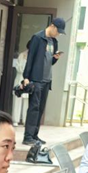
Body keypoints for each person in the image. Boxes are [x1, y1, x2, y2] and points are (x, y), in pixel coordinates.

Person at [21, 18, 65, 146]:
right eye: (58, 31)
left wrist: (55, 59)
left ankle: (34, 135)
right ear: (52, 26)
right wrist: (26, 77)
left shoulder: (54, 42)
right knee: (33, 108)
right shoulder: (37, 38)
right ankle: (28, 137)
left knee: (40, 109)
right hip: (36, 79)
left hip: (47, 80)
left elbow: (49, 61)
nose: (58, 34)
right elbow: (31, 58)